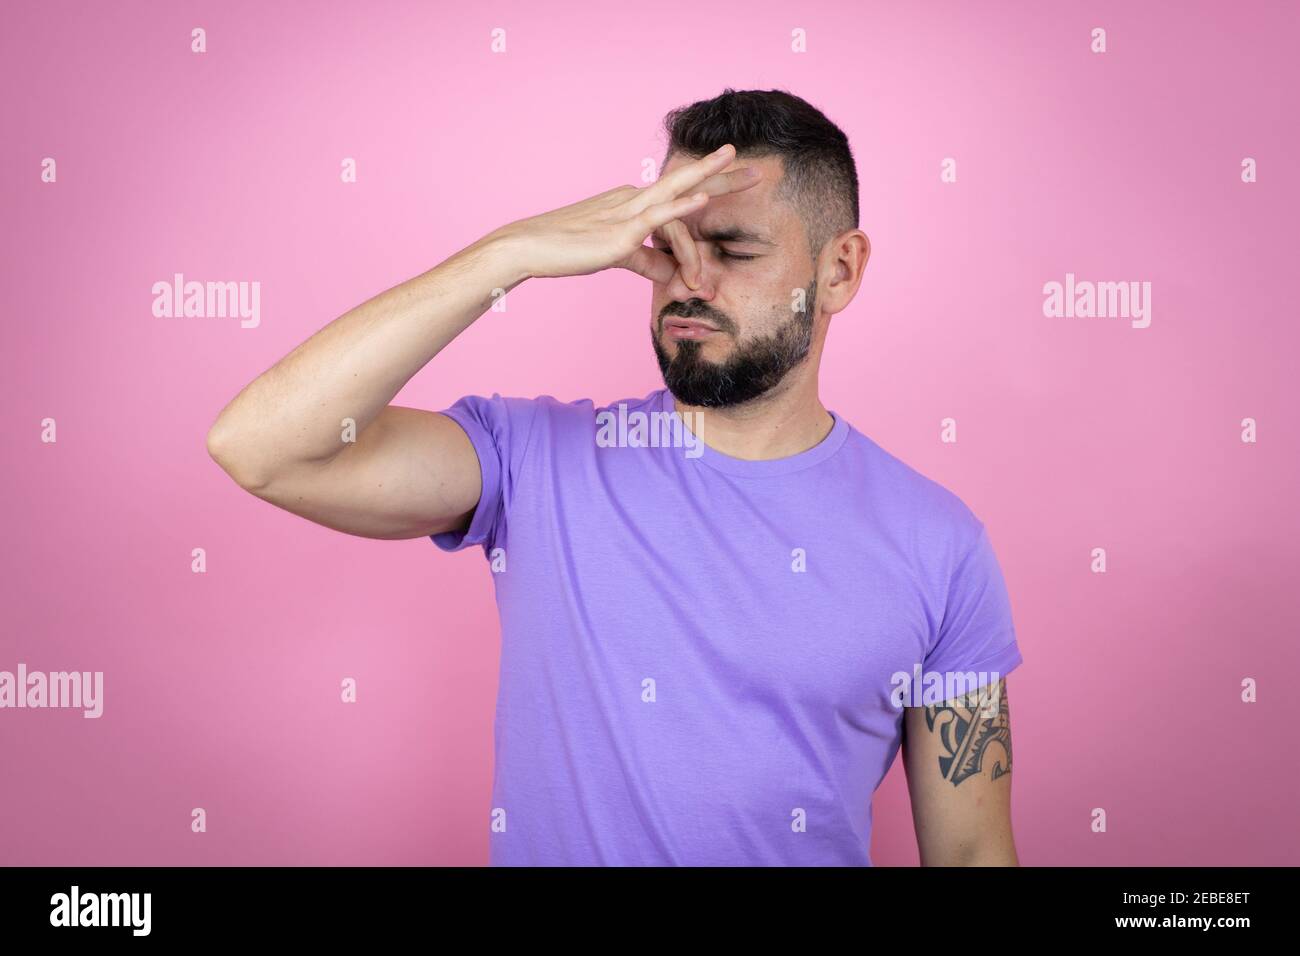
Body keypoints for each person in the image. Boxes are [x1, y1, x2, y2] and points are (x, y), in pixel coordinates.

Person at [207, 88, 1023, 866]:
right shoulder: (530, 459)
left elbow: (972, 850)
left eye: (734, 251)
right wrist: (509, 252)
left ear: (839, 271)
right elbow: (263, 447)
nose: (688, 286)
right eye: (669, 248)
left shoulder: (942, 546)